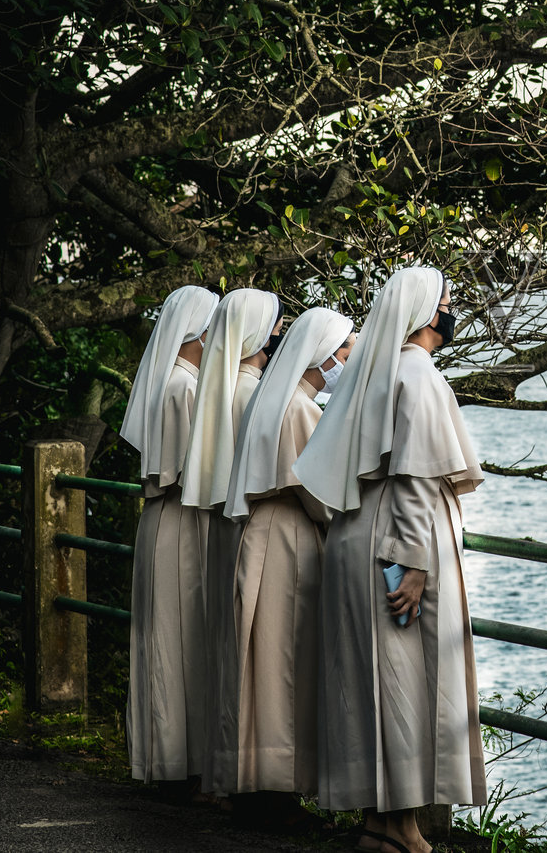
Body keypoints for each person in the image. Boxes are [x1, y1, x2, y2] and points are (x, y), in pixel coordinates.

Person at [295, 267, 486, 853]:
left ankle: (377, 824)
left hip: (358, 534)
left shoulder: (370, 374)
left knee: (366, 679)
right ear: (429, 312)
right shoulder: (417, 375)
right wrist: (414, 564)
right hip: (396, 543)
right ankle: (405, 830)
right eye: (449, 300)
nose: (453, 309)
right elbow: (414, 479)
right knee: (404, 682)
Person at [221, 306, 355, 831]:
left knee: (259, 660)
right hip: (290, 539)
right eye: (341, 351)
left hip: (262, 535)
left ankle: (253, 781)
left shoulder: (270, 400)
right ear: (321, 354)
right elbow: (320, 493)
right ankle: (278, 792)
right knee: (285, 663)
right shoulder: (300, 409)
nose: (345, 359)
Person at [179, 285, 283, 800]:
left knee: (223, 644)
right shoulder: (253, 391)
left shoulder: (216, 387)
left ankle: (220, 771)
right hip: (249, 529)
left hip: (220, 523)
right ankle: (248, 778)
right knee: (247, 651)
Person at [119, 284, 219, 791]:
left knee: (161, 640)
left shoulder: (167, 382)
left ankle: (164, 756)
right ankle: (183, 763)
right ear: (198, 333)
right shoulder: (185, 388)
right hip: (182, 520)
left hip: (159, 521)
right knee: (182, 640)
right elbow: (192, 470)